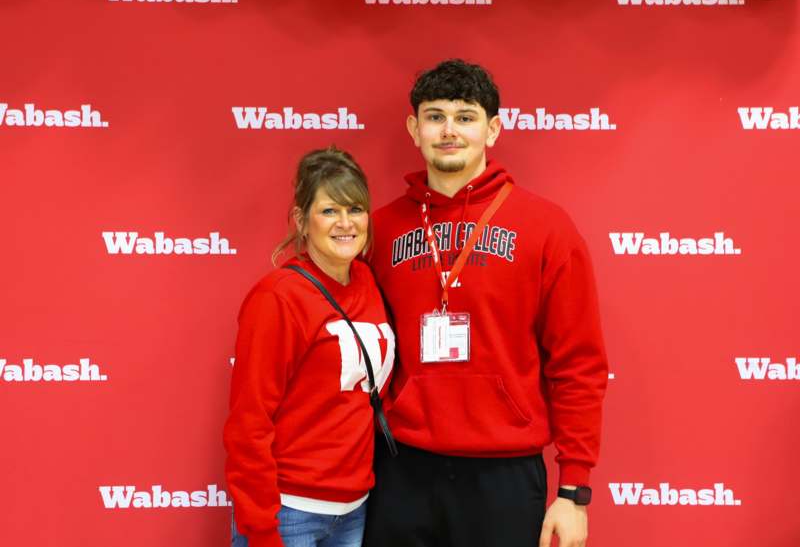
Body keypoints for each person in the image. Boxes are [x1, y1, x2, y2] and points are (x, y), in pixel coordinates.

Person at [363, 60, 608, 547]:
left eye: (465, 116)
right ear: (414, 128)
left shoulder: (546, 227)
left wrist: (574, 489)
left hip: (504, 474)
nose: (448, 130)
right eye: (435, 116)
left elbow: (578, 363)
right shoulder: (381, 228)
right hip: (402, 467)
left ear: (493, 129)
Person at [224, 146, 396, 547]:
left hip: (354, 508)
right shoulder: (278, 297)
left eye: (355, 209)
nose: (345, 223)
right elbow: (249, 422)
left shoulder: (369, 282)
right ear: (302, 221)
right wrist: (262, 529)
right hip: (289, 510)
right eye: (329, 211)